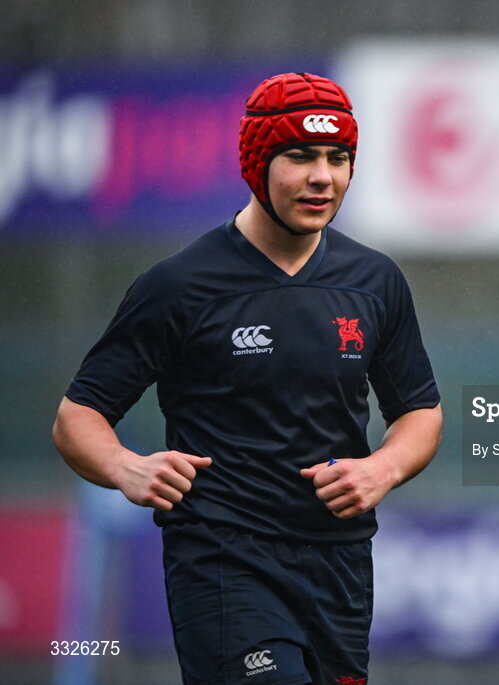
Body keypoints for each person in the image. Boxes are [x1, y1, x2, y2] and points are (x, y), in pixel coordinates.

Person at [52, 72, 442, 685]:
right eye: (301, 156)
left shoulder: (375, 282)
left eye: (338, 158)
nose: (323, 177)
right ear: (256, 163)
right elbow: (78, 416)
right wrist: (128, 468)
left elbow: (420, 411)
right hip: (222, 560)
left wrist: (383, 468)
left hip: (339, 564)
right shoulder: (179, 286)